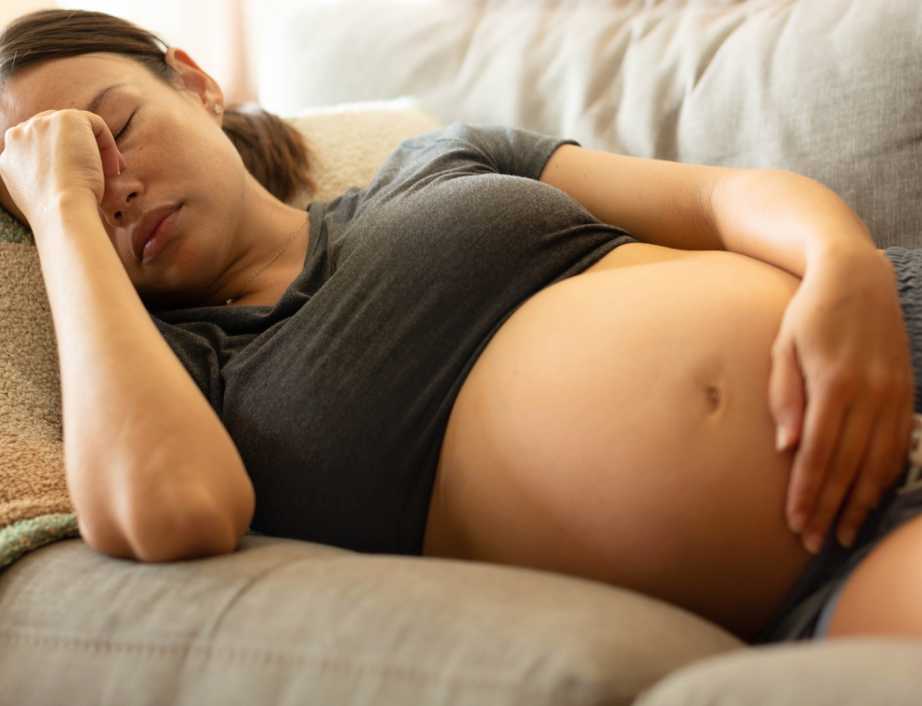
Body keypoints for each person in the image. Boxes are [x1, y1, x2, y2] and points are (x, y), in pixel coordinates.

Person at [1, 8, 920, 646]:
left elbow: (722, 196)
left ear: (196, 85)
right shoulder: (186, 373)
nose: (114, 185)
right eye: (80, 177)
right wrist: (63, 213)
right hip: (833, 547)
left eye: (112, 128)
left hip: (895, 327)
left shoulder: (441, 159)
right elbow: (172, 516)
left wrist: (844, 264)